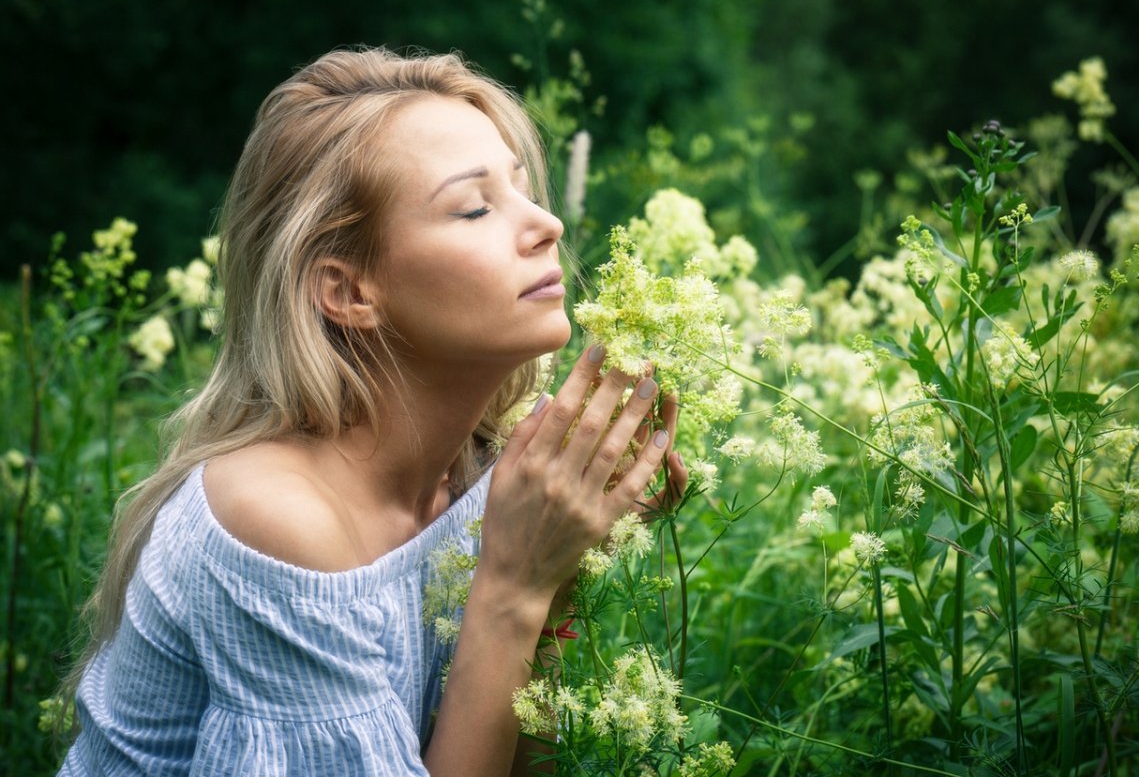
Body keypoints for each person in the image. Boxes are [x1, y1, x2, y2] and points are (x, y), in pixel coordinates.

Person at [57, 46, 686, 776]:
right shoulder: (278, 522)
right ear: (348, 292)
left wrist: (562, 566)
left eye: (521, 189)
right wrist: (514, 586)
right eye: (475, 207)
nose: (546, 222)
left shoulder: (498, 474)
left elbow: (524, 761)